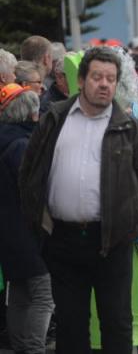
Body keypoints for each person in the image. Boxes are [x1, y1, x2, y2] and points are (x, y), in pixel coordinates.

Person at [18, 46, 138, 353]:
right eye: (97, 77)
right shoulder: (55, 118)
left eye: (111, 78)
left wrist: (133, 228)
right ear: (81, 80)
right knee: (70, 325)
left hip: (113, 240)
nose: (104, 84)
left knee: (117, 322)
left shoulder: (129, 127)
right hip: (62, 239)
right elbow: (30, 173)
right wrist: (39, 226)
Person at [0, 85, 54, 354]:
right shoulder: (22, 145)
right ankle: (33, 349)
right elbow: (34, 192)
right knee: (43, 295)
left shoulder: (5, 140)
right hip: (25, 233)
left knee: (20, 292)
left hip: (7, 234)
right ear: (31, 114)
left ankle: (20, 346)